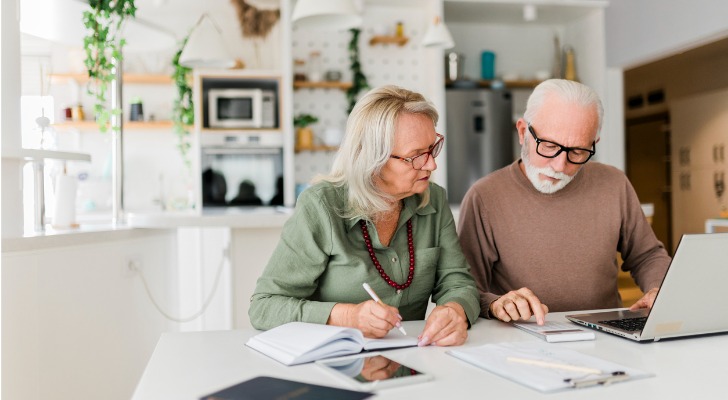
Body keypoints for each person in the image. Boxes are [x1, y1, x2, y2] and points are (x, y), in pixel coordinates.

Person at [249, 85, 480, 347]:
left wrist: (455, 310)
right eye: (416, 156)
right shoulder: (321, 206)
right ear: (372, 159)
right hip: (332, 363)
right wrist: (348, 316)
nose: (431, 164)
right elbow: (264, 307)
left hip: (412, 358)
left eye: (432, 148)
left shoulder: (433, 199)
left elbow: (457, 281)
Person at [457, 79, 671, 325]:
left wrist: (658, 289)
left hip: (604, 335)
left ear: (594, 144)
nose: (560, 166)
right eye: (548, 146)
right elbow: (465, 288)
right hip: (521, 339)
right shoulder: (484, 197)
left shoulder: (614, 183)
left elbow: (647, 256)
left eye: (578, 152)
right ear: (523, 132)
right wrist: (496, 304)